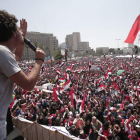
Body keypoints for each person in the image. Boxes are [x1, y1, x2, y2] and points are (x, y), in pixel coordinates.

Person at [0, 10, 45, 140]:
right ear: (13, 33)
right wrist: (39, 61)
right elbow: (29, 84)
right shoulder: (2, 52)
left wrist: (21, 37)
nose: (22, 33)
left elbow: (18, 56)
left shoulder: (2, 52)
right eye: (19, 30)